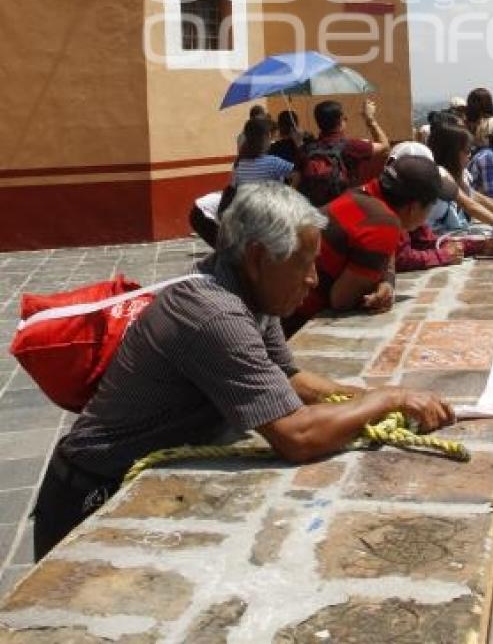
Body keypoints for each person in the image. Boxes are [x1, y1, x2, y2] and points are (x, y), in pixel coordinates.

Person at [32, 183, 454, 559]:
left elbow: (290, 378)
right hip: (93, 491)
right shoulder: (214, 315)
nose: (312, 280)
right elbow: (296, 436)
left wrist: (363, 400)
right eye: (303, 263)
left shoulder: (251, 293)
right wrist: (389, 399)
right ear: (257, 258)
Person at [290, 155, 449, 328]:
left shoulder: (363, 196)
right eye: (431, 205)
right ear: (414, 207)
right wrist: (372, 293)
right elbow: (341, 299)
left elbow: (380, 253)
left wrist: (386, 281)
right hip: (295, 316)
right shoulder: (383, 224)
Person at [298, 98, 390, 206]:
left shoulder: (306, 149)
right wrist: (370, 119)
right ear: (340, 119)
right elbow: (384, 146)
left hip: (315, 211)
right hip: (343, 208)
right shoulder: (351, 146)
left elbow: (295, 183)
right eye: (344, 117)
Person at [233, 117, 294, 187]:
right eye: (271, 137)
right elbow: (297, 174)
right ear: (266, 137)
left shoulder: (240, 164)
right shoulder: (273, 163)